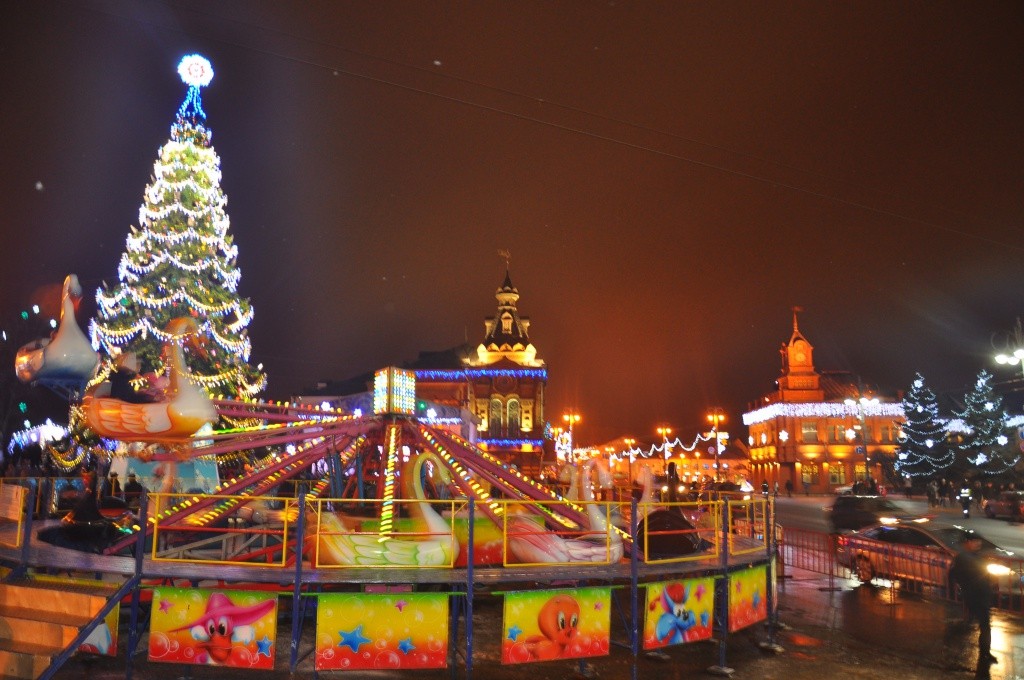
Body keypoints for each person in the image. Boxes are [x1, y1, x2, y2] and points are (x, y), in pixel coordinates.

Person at [949, 535, 997, 667]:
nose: (978, 544)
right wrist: (959, 589)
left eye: (979, 541)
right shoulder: (963, 558)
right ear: (968, 543)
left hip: (982, 596)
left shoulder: (976, 557)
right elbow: (953, 574)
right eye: (975, 541)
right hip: (974, 596)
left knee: (984, 625)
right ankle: (982, 653)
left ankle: (985, 653)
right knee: (984, 625)